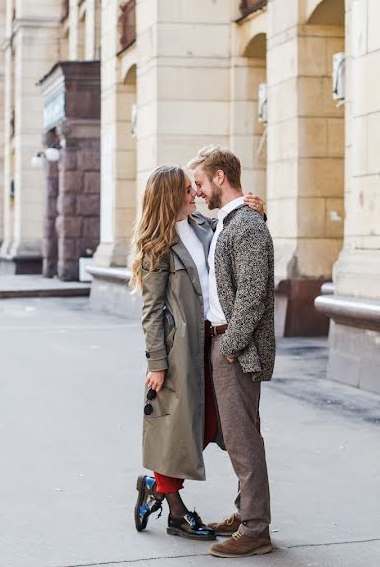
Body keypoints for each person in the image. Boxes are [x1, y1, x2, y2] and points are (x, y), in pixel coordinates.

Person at [130, 164, 264, 541]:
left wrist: (255, 211)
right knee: (176, 428)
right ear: (170, 196)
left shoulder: (204, 227)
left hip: (212, 340)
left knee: (205, 425)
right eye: (188, 190)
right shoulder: (157, 244)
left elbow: (238, 244)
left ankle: (157, 486)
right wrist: (156, 362)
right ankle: (175, 512)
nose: (196, 195)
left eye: (195, 188)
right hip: (177, 351)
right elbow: (151, 310)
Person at [190, 145, 276, 559]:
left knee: (243, 439)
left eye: (202, 182)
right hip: (222, 340)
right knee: (238, 435)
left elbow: (253, 295)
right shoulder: (233, 220)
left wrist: (231, 347)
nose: (199, 191)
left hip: (234, 345)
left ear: (220, 177)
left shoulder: (247, 226)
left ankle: (256, 529)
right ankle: (246, 513)